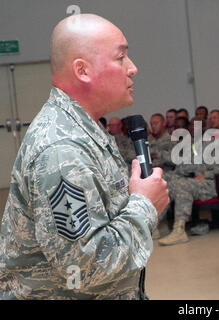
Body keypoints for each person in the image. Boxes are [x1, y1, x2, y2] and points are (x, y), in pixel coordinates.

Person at [0, 14, 169, 299]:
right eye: (121, 58)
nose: (133, 68)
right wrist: (144, 204)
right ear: (83, 70)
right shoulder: (61, 148)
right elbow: (84, 268)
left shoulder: (82, 127)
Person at [158, 112, 219, 246]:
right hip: (208, 179)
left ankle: (179, 230)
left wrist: (206, 175)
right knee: (171, 182)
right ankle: (157, 224)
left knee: (182, 186)